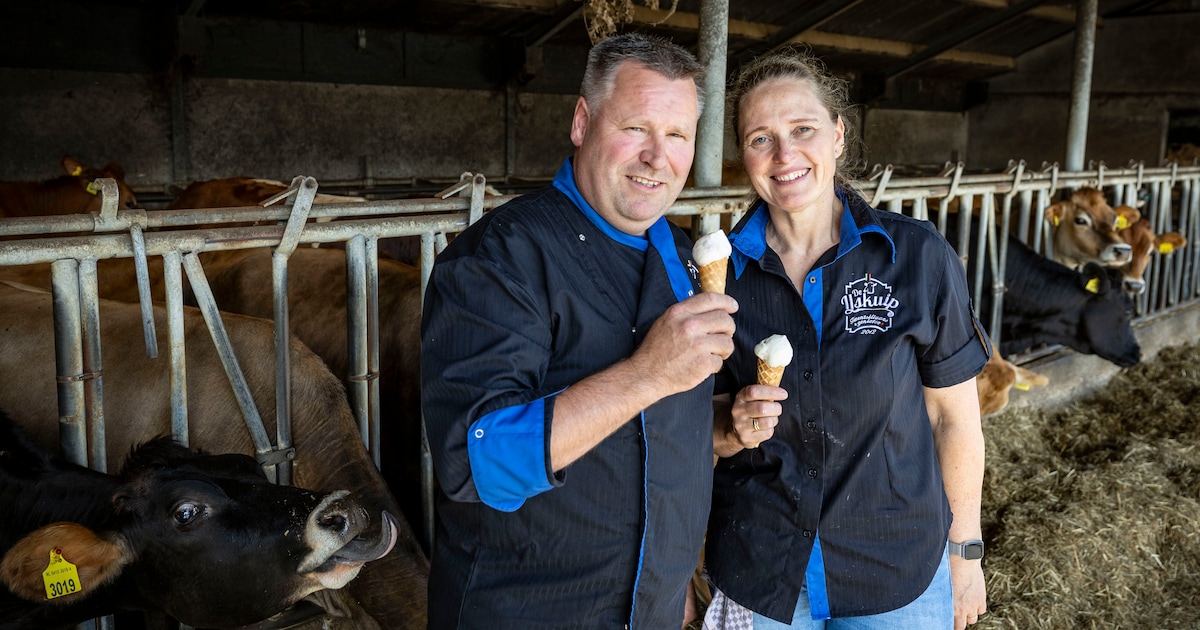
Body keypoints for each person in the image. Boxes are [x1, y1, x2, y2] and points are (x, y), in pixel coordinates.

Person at [420, 32, 738, 629]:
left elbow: (652, 435)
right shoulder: (500, 257)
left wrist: (722, 427)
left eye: (677, 136)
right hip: (528, 611)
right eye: (635, 128)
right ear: (581, 121)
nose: (657, 157)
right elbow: (472, 461)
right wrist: (647, 374)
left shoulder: (679, 255)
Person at [703, 46, 990, 630]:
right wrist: (728, 420)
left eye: (803, 129)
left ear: (837, 134)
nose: (785, 155)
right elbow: (686, 425)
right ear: (743, 155)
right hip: (761, 572)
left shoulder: (915, 255)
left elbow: (952, 418)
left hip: (897, 570)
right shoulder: (716, 276)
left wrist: (965, 551)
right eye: (761, 138)